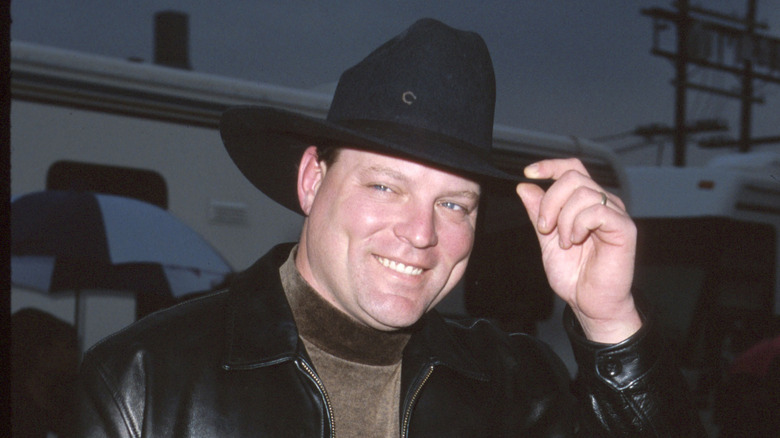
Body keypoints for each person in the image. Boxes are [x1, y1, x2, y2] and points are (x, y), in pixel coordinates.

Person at [75, 18, 704, 436]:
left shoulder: (515, 388)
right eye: (385, 186)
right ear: (311, 181)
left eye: (455, 204)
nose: (421, 233)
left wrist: (610, 321)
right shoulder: (144, 383)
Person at [12, 308, 80, 438]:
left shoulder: (71, 403)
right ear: (43, 353)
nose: (76, 355)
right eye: (70, 346)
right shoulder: (17, 408)